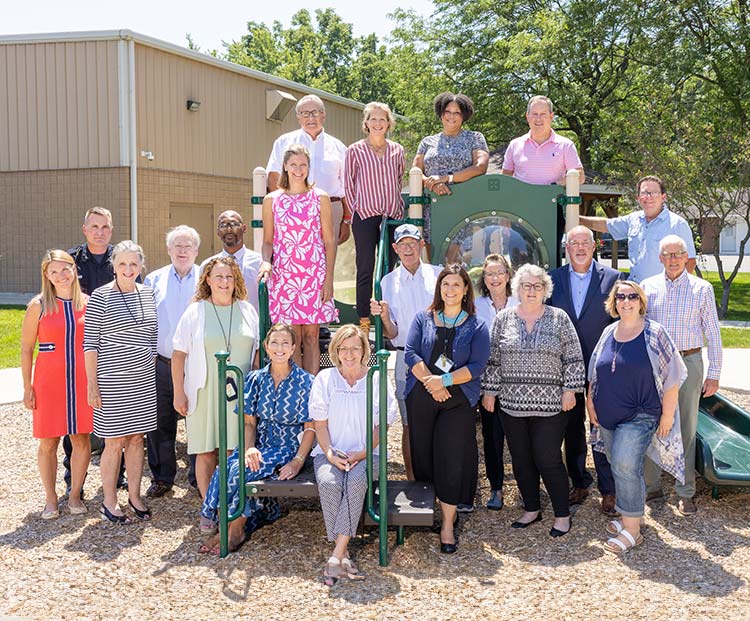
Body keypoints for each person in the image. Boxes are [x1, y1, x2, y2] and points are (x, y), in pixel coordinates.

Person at [481, 264, 585, 537]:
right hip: (511, 405)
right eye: (526, 285)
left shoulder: (559, 318)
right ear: (517, 289)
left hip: (551, 405)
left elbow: (574, 358)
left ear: (545, 290)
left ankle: (562, 514)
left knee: (547, 457)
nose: (531, 291)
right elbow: (493, 360)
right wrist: (490, 392)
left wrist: (570, 390)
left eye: (537, 286)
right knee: (521, 459)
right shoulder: (503, 319)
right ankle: (532, 508)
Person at [199, 324, 316, 555]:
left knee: (240, 472)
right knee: (229, 466)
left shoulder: (306, 382)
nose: (279, 348)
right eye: (274, 342)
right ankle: (230, 525)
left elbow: (310, 429)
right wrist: (249, 448)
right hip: (261, 444)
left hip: (288, 446)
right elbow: (249, 423)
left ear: (294, 348)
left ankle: (233, 531)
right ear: (266, 347)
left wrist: (298, 461)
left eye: (285, 343)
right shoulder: (255, 379)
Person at [587, 280, 686, 553]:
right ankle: (629, 515)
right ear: (614, 302)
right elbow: (596, 371)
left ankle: (633, 531)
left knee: (624, 464)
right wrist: (590, 402)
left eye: (632, 296)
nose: (626, 301)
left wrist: (667, 414)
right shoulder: (609, 331)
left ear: (640, 301)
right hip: (607, 414)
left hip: (641, 413)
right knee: (617, 463)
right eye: (621, 297)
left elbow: (673, 376)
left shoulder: (655, 333)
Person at [405, 265, 490, 553]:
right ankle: (427, 510)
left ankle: (448, 525)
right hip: (421, 394)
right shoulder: (423, 318)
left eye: (457, 285)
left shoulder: (476, 326)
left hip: (458, 401)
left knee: (451, 458)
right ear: (439, 288)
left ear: (466, 289)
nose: (450, 290)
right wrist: (431, 382)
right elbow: (410, 352)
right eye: (446, 284)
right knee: (424, 455)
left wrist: (442, 381)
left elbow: (477, 366)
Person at [172, 257, 259, 532]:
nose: (224, 282)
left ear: (237, 282)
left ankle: (231, 508)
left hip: (239, 394)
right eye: (219, 277)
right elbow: (178, 354)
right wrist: (179, 393)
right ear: (207, 280)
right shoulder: (195, 311)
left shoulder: (247, 310)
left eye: (229, 277)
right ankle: (210, 508)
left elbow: (256, 356)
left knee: (234, 451)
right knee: (206, 451)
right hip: (204, 390)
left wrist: (254, 394)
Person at [641, 235, 722, 515]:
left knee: (686, 428)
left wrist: (714, 372)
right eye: (668, 254)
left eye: (678, 254)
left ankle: (684, 491)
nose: (673, 259)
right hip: (655, 366)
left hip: (690, 361)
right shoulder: (647, 287)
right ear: (660, 258)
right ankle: (651, 488)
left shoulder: (702, 288)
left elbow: (713, 333)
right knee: (653, 424)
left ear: (686, 257)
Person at [310, 325, 397, 584]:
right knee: (328, 482)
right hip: (330, 451)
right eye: (344, 348)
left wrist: (362, 453)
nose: (349, 354)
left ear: (364, 351)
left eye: (355, 348)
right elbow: (320, 424)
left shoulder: (377, 378)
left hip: (368, 452)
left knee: (357, 480)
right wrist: (329, 453)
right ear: (336, 351)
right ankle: (343, 554)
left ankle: (335, 555)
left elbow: (384, 424)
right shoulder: (325, 379)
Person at [547, 226, 624, 516]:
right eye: (573, 243)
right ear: (566, 248)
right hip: (563, 368)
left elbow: (621, 323)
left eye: (585, 243)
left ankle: (609, 490)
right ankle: (579, 482)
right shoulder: (553, 280)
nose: (579, 247)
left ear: (595, 246)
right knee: (571, 430)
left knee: (601, 428)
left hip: (601, 369)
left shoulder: (614, 279)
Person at [84, 241, 158, 524]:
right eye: (122, 264)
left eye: (134, 264)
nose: (128, 269)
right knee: (114, 442)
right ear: (113, 266)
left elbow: (152, 337)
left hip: (142, 383)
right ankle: (109, 501)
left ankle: (135, 496)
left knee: (138, 439)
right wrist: (93, 385)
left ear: (141, 266)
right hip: (112, 382)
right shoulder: (100, 297)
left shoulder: (148, 294)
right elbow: (90, 344)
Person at [20, 250, 92, 519]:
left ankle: (74, 495)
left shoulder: (88, 302)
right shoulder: (38, 306)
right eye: (54, 271)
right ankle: (51, 499)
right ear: (46, 276)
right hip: (49, 382)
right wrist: (27, 387)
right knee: (48, 442)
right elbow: (27, 349)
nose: (61, 275)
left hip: (81, 381)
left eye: (65, 269)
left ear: (74, 270)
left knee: (81, 438)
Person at [370, 224, 441, 481]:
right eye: (403, 244)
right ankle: (413, 481)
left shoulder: (439, 275)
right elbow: (390, 332)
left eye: (413, 243)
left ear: (422, 244)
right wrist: (385, 317)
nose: (408, 249)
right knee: (409, 423)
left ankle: (439, 481)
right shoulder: (386, 283)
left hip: (437, 357)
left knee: (440, 422)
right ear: (395, 248)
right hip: (404, 357)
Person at [258, 144, 338, 374]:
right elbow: (267, 241)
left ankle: (313, 391)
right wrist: (266, 261)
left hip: (313, 273)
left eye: (303, 165)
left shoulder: (319, 197)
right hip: (285, 275)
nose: (298, 169)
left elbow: (330, 241)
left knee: (312, 336)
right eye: (293, 164)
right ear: (285, 166)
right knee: (293, 337)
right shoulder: (272, 200)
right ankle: (298, 390)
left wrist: (329, 279)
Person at [142, 225, 201, 498]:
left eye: (188, 246)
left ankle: (197, 476)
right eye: (177, 246)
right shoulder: (153, 281)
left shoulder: (206, 277)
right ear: (168, 250)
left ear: (196, 251)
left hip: (196, 365)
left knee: (197, 422)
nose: (182, 251)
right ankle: (162, 476)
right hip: (162, 363)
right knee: (159, 422)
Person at [66, 206, 122, 493]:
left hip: (115, 348)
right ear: (85, 229)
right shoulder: (71, 260)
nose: (100, 232)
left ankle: (117, 475)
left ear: (111, 230)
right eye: (94, 227)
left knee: (118, 412)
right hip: (78, 348)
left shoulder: (122, 258)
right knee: (76, 416)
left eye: (105, 227)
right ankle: (72, 479)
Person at [344, 102, 406, 333]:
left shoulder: (397, 150)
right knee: (366, 267)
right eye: (373, 119)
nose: (378, 123)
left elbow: (399, 179)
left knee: (390, 269)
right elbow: (348, 184)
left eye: (382, 119)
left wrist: (393, 206)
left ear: (388, 123)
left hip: (391, 215)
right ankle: (363, 320)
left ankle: (389, 322)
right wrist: (358, 208)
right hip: (366, 215)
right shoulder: (355, 150)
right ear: (366, 123)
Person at [267, 94, 350, 245]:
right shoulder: (283, 142)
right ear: (298, 117)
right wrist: (281, 210)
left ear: (323, 114)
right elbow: (274, 178)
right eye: (305, 113)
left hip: (332, 208)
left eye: (315, 112)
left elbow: (347, 186)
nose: (310, 117)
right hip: (293, 208)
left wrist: (347, 220)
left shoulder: (339, 147)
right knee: (298, 255)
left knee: (328, 258)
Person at [579, 175, 697, 282]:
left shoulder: (677, 224)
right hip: (635, 295)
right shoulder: (633, 220)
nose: (649, 197)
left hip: (662, 295)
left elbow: (690, 261)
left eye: (654, 193)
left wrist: (676, 288)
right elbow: (606, 225)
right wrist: (577, 219)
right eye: (644, 193)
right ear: (638, 198)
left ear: (663, 197)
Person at [474, 254, 519, 511]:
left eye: (499, 272)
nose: (494, 278)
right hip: (487, 384)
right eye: (489, 274)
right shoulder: (477, 306)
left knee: (520, 439)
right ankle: (496, 489)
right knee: (492, 438)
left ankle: (527, 487)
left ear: (508, 275)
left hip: (517, 383)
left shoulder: (520, 302)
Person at [413, 92, 489, 243]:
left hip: (463, 205)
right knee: (433, 260)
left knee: (457, 261)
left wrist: (446, 178)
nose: (451, 116)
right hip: (432, 207)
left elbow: (480, 167)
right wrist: (432, 184)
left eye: (457, 113)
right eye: (447, 111)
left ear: (463, 116)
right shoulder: (427, 142)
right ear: (441, 113)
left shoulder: (474, 138)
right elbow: (415, 172)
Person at [501, 95, 585, 186]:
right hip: (521, 199)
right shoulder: (514, 145)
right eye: (534, 114)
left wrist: (554, 185)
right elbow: (505, 179)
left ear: (551, 116)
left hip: (553, 199)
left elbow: (580, 177)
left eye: (543, 114)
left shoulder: (566, 145)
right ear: (527, 116)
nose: (538, 119)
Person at [200, 210, 262, 311]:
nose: (228, 229)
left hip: (252, 324)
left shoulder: (260, 263)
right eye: (223, 226)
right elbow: (202, 298)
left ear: (244, 228)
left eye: (234, 224)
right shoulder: (207, 266)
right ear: (218, 232)